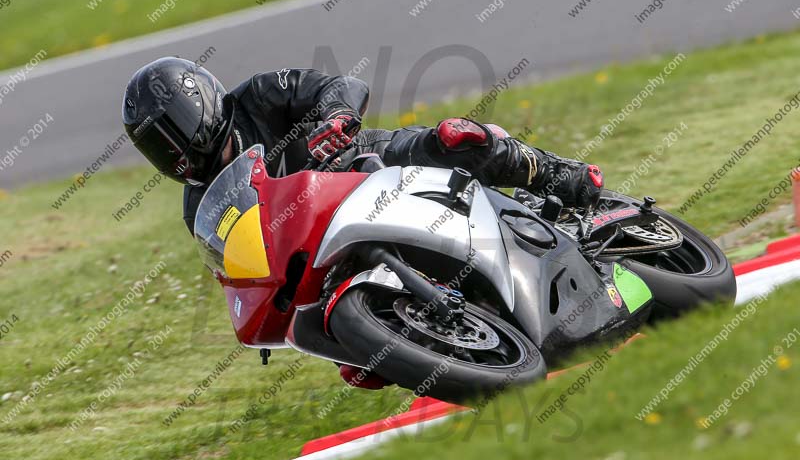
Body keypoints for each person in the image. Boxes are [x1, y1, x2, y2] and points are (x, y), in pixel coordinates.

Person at [122, 57, 605, 388]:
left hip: (365, 165)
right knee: (361, 370)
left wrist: (334, 118)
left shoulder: (258, 95)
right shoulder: (197, 205)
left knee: (455, 139)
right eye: (155, 147)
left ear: (198, 101)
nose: (173, 151)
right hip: (317, 246)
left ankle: (556, 175)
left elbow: (342, 87)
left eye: (172, 131)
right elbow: (240, 262)